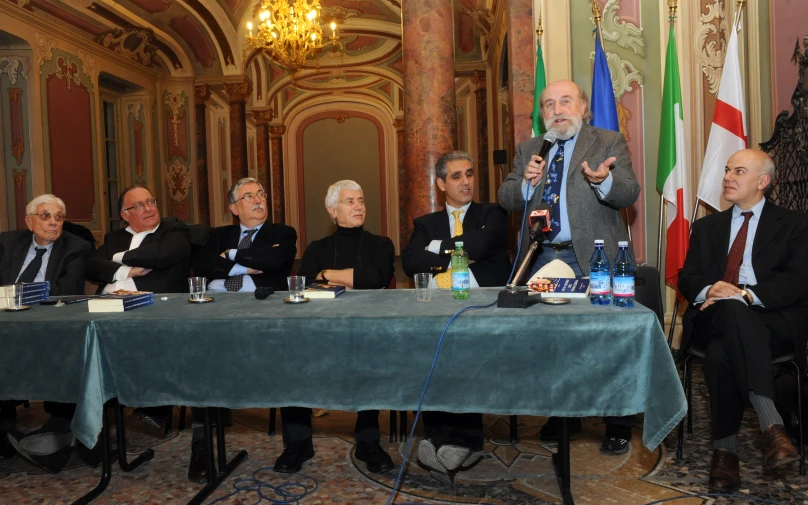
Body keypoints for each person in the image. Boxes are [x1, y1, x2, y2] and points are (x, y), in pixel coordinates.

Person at [497, 79, 641, 454]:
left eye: (565, 101)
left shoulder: (607, 141)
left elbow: (629, 191)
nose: (558, 110)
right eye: (549, 104)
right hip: (542, 256)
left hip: (590, 256)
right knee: (552, 342)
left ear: (583, 107)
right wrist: (527, 185)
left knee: (604, 341)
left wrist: (604, 180)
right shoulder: (530, 148)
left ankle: (617, 420)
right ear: (542, 113)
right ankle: (564, 414)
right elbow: (506, 196)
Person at [678, 149, 806, 492]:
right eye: (727, 170)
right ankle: (772, 426)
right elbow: (687, 276)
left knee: (722, 351)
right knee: (731, 311)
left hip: (771, 320)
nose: (727, 177)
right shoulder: (707, 227)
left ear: (763, 182)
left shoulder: (794, 224)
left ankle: (725, 454)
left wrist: (747, 295)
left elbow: (798, 278)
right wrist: (710, 288)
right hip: (713, 316)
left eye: (739, 171)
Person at [275, 180, 395, 475]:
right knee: (291, 356)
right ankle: (298, 442)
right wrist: (350, 278)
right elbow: (305, 282)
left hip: (366, 326)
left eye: (361, 200)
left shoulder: (382, 244)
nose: (358, 206)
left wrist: (327, 273)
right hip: (320, 328)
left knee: (372, 354)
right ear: (332, 210)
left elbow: (375, 278)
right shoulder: (317, 247)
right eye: (349, 201)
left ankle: (368, 441)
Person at [402, 150, 510, 479]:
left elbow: (479, 248)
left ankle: (467, 440)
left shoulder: (493, 213)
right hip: (438, 304)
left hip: (481, 303)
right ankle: (437, 438)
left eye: (469, 174)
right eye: (456, 176)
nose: (466, 182)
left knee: (465, 356)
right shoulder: (426, 222)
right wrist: (459, 249)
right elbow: (410, 262)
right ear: (440, 183)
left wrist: (436, 248)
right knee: (432, 354)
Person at [189, 177, 297, 483]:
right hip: (210, 306)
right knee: (196, 359)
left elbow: (276, 261)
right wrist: (248, 265)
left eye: (261, 193)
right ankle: (201, 443)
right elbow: (201, 264)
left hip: (258, 306)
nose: (258, 199)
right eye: (249, 196)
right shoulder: (217, 234)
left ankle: (295, 444)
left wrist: (231, 256)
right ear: (234, 207)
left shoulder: (282, 232)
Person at [0, 194, 92, 467]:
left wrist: (13, 296)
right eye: (45, 216)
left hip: (49, 322)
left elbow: (67, 291)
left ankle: (59, 427)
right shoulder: (6, 243)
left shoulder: (76, 247)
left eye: (58, 217)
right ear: (29, 221)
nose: (53, 222)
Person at [86, 185, 191, 294]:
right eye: (139, 205)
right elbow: (91, 265)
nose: (148, 209)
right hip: (104, 303)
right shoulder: (115, 237)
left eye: (151, 202)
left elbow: (161, 254)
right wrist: (128, 272)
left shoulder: (174, 230)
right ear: (125, 215)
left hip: (151, 305)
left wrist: (118, 257)